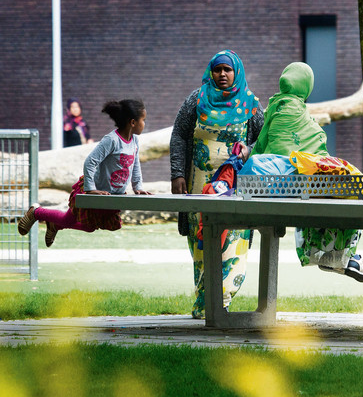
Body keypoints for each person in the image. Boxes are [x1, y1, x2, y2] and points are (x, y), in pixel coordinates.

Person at [248, 62, 363, 281]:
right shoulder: (302, 115)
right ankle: (339, 255)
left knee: (316, 195)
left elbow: (260, 145)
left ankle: (329, 256)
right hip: (296, 184)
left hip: (270, 185)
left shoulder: (274, 107)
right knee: (343, 192)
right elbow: (316, 148)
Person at [170, 50, 264, 319]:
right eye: (217, 70)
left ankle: (218, 302)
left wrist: (248, 151)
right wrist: (177, 174)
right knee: (201, 244)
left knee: (232, 242)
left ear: (237, 72)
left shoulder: (251, 104)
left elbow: (265, 140)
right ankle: (206, 302)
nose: (222, 74)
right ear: (210, 72)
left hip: (235, 187)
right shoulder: (196, 100)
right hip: (198, 187)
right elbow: (178, 135)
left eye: (227, 70)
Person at [18, 99, 150, 246]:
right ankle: (36, 212)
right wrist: (91, 189)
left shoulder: (135, 141)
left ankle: (54, 225)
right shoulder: (111, 140)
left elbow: (135, 164)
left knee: (89, 227)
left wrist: (138, 187)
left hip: (111, 196)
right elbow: (90, 162)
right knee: (71, 220)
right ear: (132, 122)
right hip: (93, 191)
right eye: (143, 120)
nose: (144, 123)